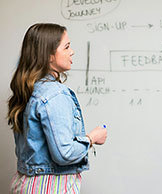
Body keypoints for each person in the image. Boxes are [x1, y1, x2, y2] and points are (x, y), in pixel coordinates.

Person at [7, 23, 107, 193]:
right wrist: (92, 138)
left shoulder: (28, 89)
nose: (72, 51)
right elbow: (64, 153)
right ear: (49, 56)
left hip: (24, 184)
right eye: (67, 47)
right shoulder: (55, 94)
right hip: (50, 187)